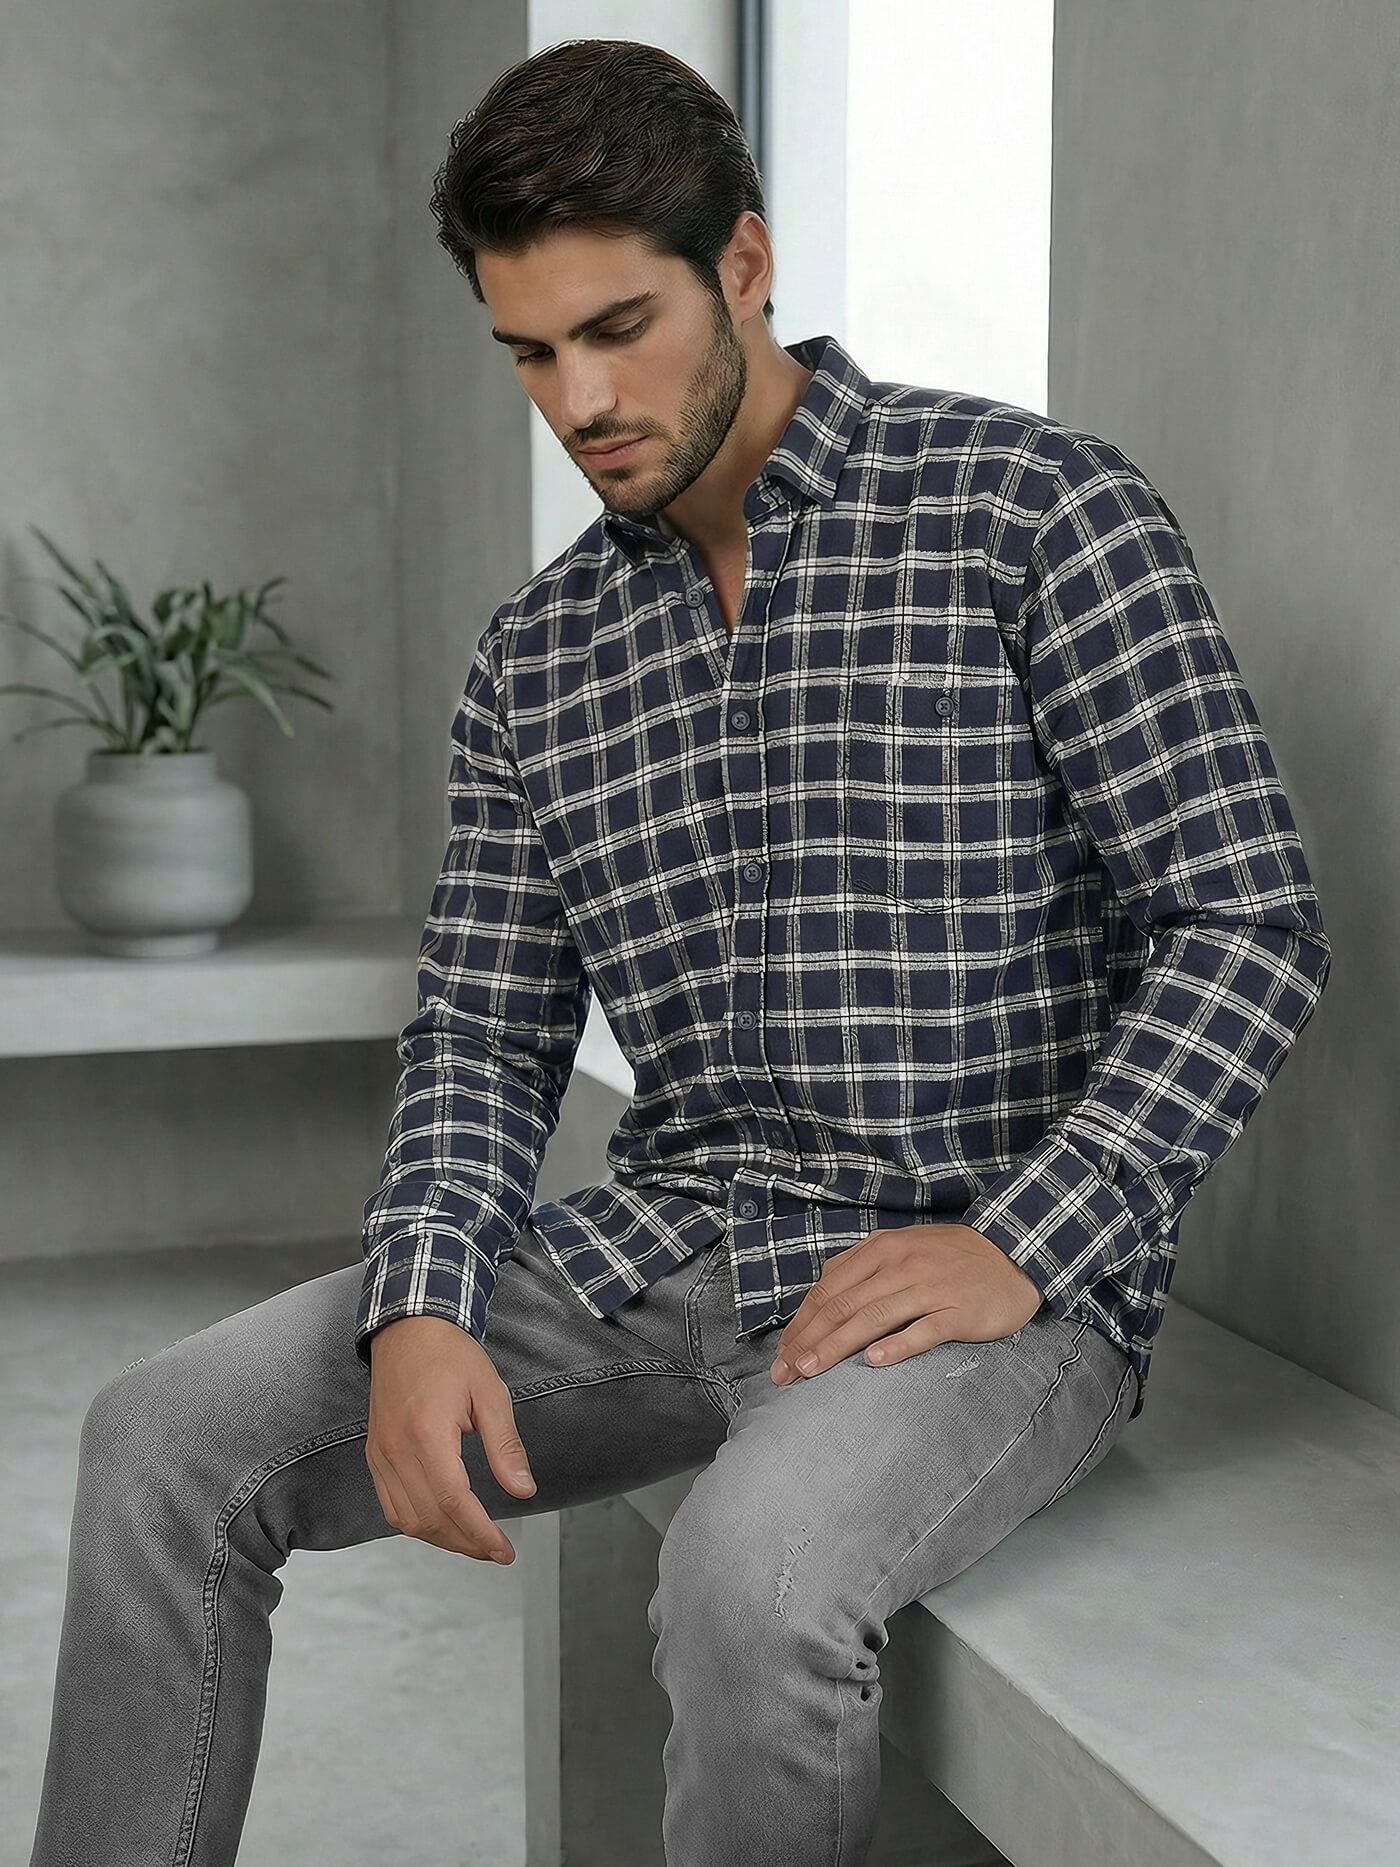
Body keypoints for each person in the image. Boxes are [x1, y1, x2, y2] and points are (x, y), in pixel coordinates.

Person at [28, 36, 1330, 1867]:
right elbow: (483, 1035)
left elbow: (1246, 917)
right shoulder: (538, 661)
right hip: (666, 1255)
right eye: (530, 353)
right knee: (160, 1442)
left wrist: (1024, 1240)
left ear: (746, 262)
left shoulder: (1034, 515)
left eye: (619, 329)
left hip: (982, 1289)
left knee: (747, 1584)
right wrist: (422, 1301)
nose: (580, 400)